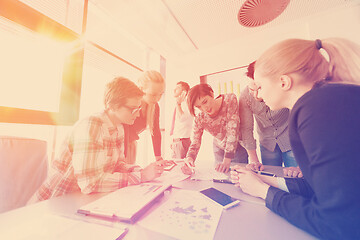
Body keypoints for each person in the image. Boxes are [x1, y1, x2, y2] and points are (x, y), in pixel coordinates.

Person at [230, 38, 360, 239]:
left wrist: (264, 192)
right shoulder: (327, 99)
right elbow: (319, 187)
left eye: (261, 87)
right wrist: (263, 182)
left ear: (283, 82)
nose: (259, 96)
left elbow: (338, 224)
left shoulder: (314, 108)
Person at [29, 77, 164, 203]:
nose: (139, 113)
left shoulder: (119, 128)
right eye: (133, 109)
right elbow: (90, 184)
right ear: (113, 105)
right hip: (58, 200)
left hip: (83, 199)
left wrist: (140, 170)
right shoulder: (92, 125)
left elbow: (117, 165)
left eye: (139, 108)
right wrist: (141, 176)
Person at [239, 61, 302, 178]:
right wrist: (253, 160)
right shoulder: (244, 96)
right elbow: (246, 129)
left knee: (296, 178)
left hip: (290, 140)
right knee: (270, 177)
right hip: (267, 143)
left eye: (259, 88)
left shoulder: (283, 89)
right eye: (251, 90)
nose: (256, 95)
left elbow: (299, 119)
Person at [182, 83, 248, 174]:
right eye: (198, 106)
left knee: (240, 177)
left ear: (211, 93)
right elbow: (195, 141)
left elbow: (232, 130)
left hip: (237, 147)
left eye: (205, 102)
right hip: (218, 148)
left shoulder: (229, 100)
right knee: (221, 178)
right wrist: (190, 157)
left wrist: (226, 161)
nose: (204, 108)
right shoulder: (200, 117)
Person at [125, 70, 165, 164]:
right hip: (120, 145)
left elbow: (155, 131)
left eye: (161, 94)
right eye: (153, 94)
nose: (157, 99)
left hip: (131, 143)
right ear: (141, 89)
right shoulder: (129, 104)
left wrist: (158, 157)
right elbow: (124, 131)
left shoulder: (154, 106)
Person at [170, 81, 193, 159]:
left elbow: (182, 118)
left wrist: (178, 104)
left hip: (182, 142)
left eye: (178, 88)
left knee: (182, 167)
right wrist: (173, 140)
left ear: (184, 92)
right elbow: (177, 125)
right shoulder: (180, 104)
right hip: (176, 142)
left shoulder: (187, 104)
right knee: (174, 166)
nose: (174, 89)